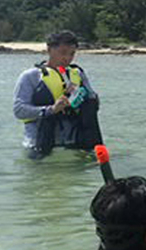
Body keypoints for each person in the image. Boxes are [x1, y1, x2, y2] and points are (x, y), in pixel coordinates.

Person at [13, 30, 103, 159]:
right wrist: (51, 109)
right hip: (40, 145)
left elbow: (93, 102)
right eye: (63, 53)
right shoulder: (30, 77)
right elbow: (19, 110)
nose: (67, 58)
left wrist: (79, 96)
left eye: (72, 54)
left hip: (73, 145)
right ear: (49, 50)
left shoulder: (77, 74)